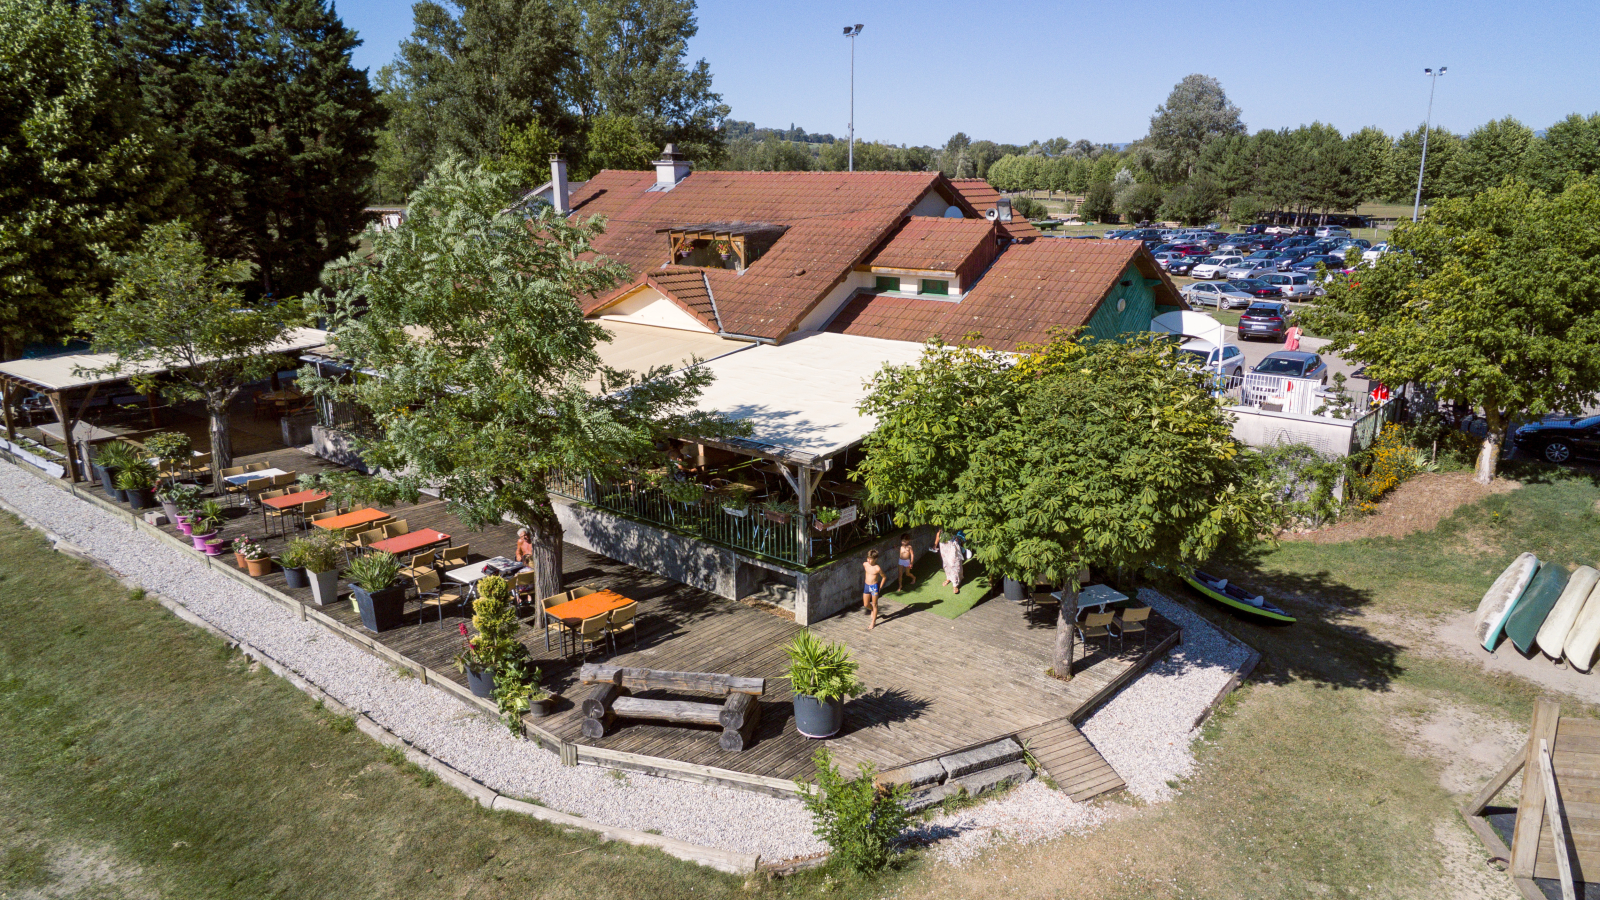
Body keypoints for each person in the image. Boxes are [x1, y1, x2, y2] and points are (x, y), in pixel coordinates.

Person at [934, 527, 964, 595]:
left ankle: (955, 584)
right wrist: (935, 544)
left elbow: (960, 533)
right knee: (946, 562)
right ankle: (949, 577)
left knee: (954, 563)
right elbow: (939, 533)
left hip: (952, 545)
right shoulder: (943, 523)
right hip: (944, 546)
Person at [862, 549, 885, 630]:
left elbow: (884, 577)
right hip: (866, 586)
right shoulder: (865, 564)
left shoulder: (877, 568)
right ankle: (873, 610)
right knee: (866, 604)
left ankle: (873, 622)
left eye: (870, 559)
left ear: (875, 559)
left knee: (874, 604)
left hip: (874, 587)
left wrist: (880, 587)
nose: (868, 560)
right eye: (868, 558)